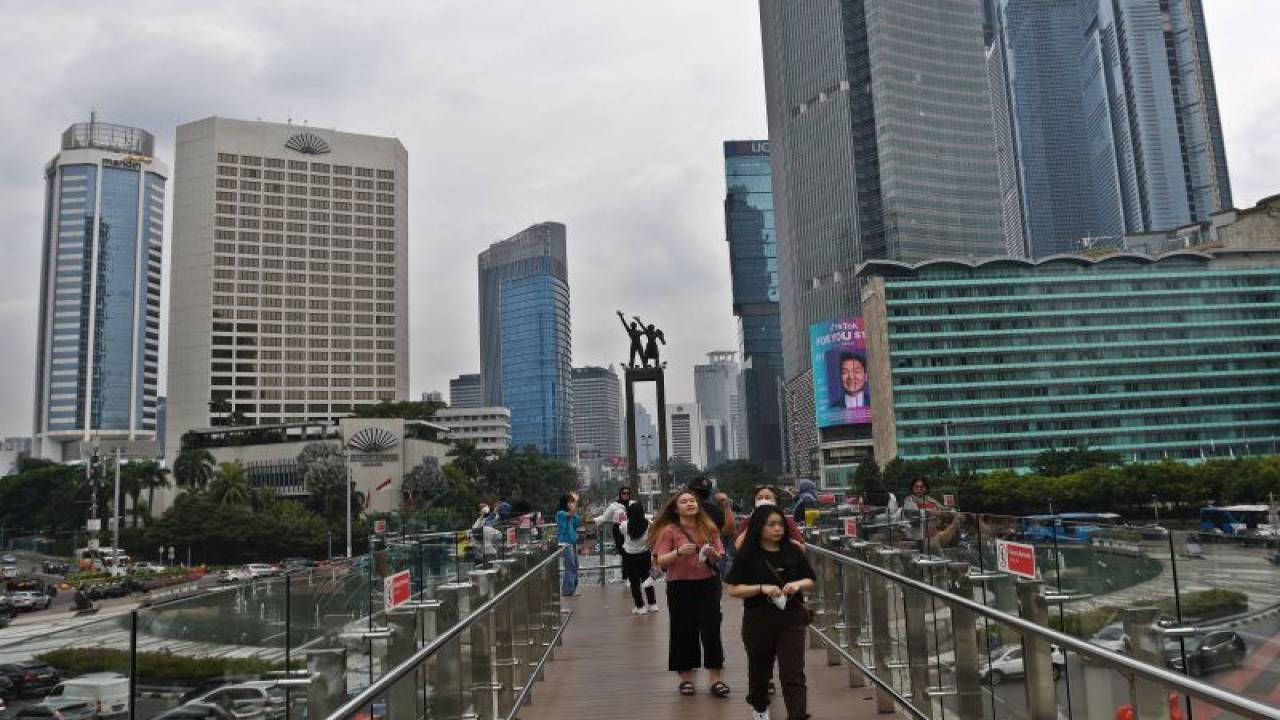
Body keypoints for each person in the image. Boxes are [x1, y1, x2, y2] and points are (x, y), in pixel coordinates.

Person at [726, 504, 818, 720]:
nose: (778, 529)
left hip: (791, 618)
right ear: (759, 526)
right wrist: (761, 588)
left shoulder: (793, 550)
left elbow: (810, 580)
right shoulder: (748, 554)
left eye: (781, 524)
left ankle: (798, 715)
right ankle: (759, 708)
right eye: (772, 525)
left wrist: (796, 585)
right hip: (758, 619)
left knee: (792, 672)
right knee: (760, 672)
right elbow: (733, 589)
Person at [649, 488, 728, 697]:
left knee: (711, 630)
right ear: (676, 508)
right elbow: (659, 561)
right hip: (680, 586)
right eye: (684, 501)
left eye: (692, 501)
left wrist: (711, 553)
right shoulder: (669, 530)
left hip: (708, 584)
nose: (690, 504)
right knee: (683, 631)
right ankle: (686, 679)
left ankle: (715, 679)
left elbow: (719, 556)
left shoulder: (709, 528)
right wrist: (678, 552)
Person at [620, 501, 659, 614]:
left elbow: (621, 531)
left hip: (630, 556)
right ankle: (653, 604)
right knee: (648, 579)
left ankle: (640, 606)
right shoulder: (649, 523)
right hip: (645, 554)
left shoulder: (625, 525)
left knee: (634, 582)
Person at [736, 485, 805, 549]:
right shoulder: (748, 521)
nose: (763, 500)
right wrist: (754, 520)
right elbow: (738, 546)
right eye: (759, 498)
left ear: (776, 501)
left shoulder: (786, 521)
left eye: (768, 498)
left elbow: (801, 547)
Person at [555, 494, 584, 596]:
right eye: (569, 502)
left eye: (572, 502)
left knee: (575, 565)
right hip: (565, 543)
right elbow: (571, 514)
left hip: (572, 542)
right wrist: (576, 501)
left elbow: (579, 521)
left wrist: (584, 508)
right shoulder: (561, 513)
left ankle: (572, 589)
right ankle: (567, 590)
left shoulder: (571, 515)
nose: (571, 504)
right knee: (570, 565)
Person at [593, 486, 632, 556]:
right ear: (620, 494)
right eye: (624, 493)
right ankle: (624, 566)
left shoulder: (633, 504)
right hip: (619, 532)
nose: (626, 495)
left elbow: (640, 515)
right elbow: (604, 517)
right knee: (622, 553)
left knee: (631, 552)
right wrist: (594, 521)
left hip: (631, 530)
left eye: (628, 493)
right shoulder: (614, 505)